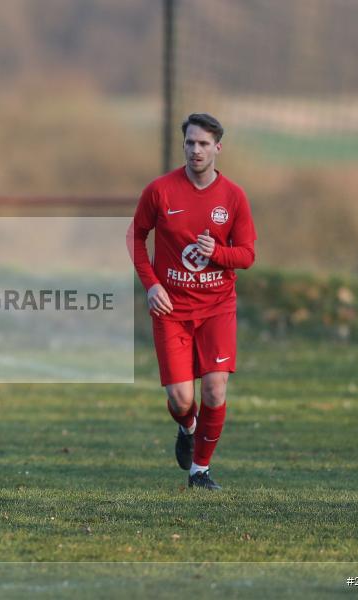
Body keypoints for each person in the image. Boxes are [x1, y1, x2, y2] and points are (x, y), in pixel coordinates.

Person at [129, 113, 257, 490]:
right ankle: (188, 427)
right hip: (171, 309)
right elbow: (136, 238)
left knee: (216, 389)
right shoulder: (160, 191)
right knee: (182, 398)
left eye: (203, 144)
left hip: (217, 307)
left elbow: (247, 255)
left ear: (218, 147)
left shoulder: (233, 197)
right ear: (183, 145)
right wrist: (151, 285)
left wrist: (218, 253)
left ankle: (200, 471)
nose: (195, 150)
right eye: (189, 143)